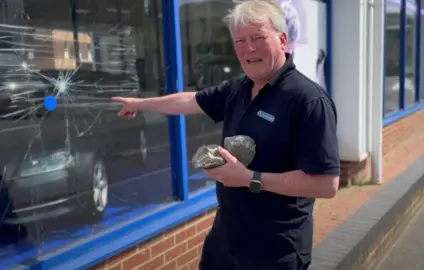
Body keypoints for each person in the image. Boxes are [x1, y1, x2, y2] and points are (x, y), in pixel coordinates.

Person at [112, 0, 340, 269]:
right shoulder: (240, 88)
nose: (249, 48)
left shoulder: (308, 100)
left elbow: (326, 184)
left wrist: (249, 179)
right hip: (225, 240)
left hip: (275, 248)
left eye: (258, 37)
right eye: (240, 40)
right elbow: (190, 100)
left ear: (282, 40)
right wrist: (140, 104)